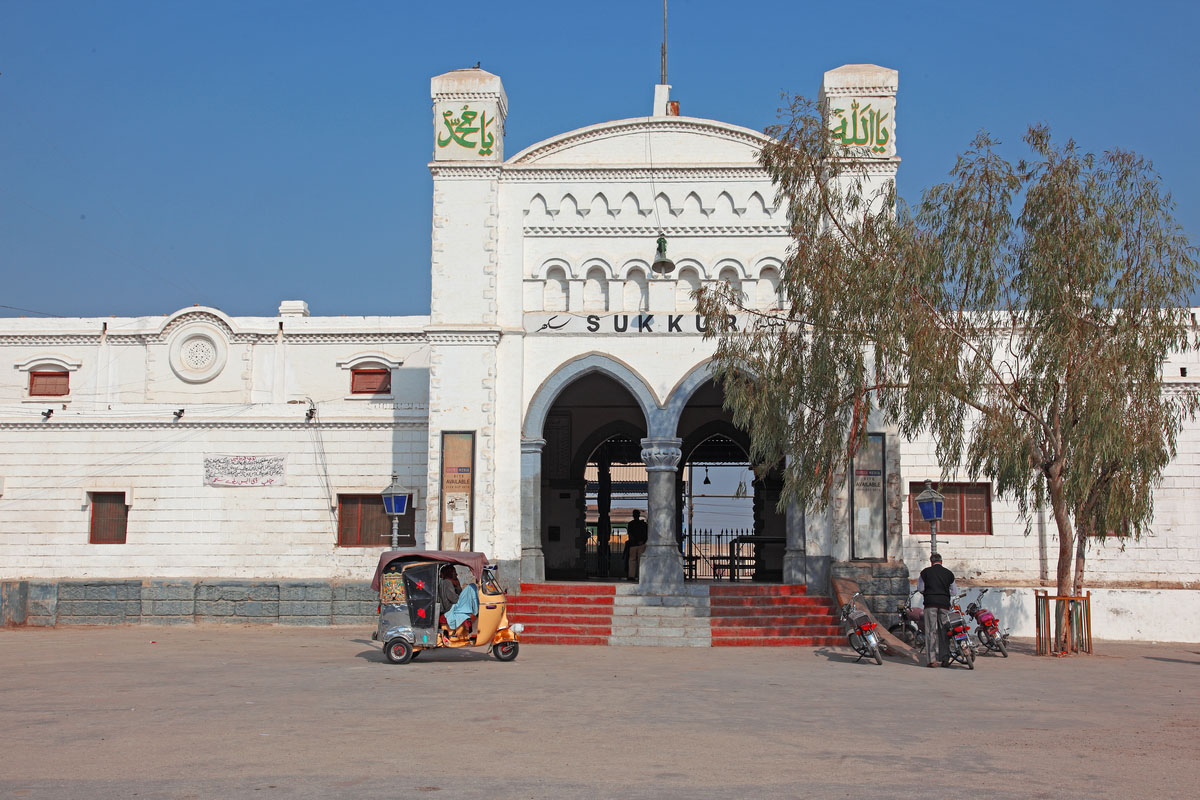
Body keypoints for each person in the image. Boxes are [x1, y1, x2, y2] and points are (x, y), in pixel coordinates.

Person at [917, 553, 958, 668]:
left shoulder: (925, 573)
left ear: (931, 562)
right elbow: (954, 592)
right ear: (941, 561)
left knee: (931, 631)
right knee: (944, 631)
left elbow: (920, 588)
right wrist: (944, 594)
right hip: (944, 605)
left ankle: (932, 660)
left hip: (930, 604)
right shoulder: (949, 574)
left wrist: (929, 593)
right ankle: (945, 659)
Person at [625, 509, 648, 581]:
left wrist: (634, 541)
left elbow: (630, 534)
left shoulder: (630, 524)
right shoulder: (643, 524)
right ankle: (641, 575)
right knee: (641, 561)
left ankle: (631, 575)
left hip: (633, 545)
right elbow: (646, 534)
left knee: (632, 560)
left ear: (633, 515)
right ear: (639, 515)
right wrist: (642, 541)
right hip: (641, 545)